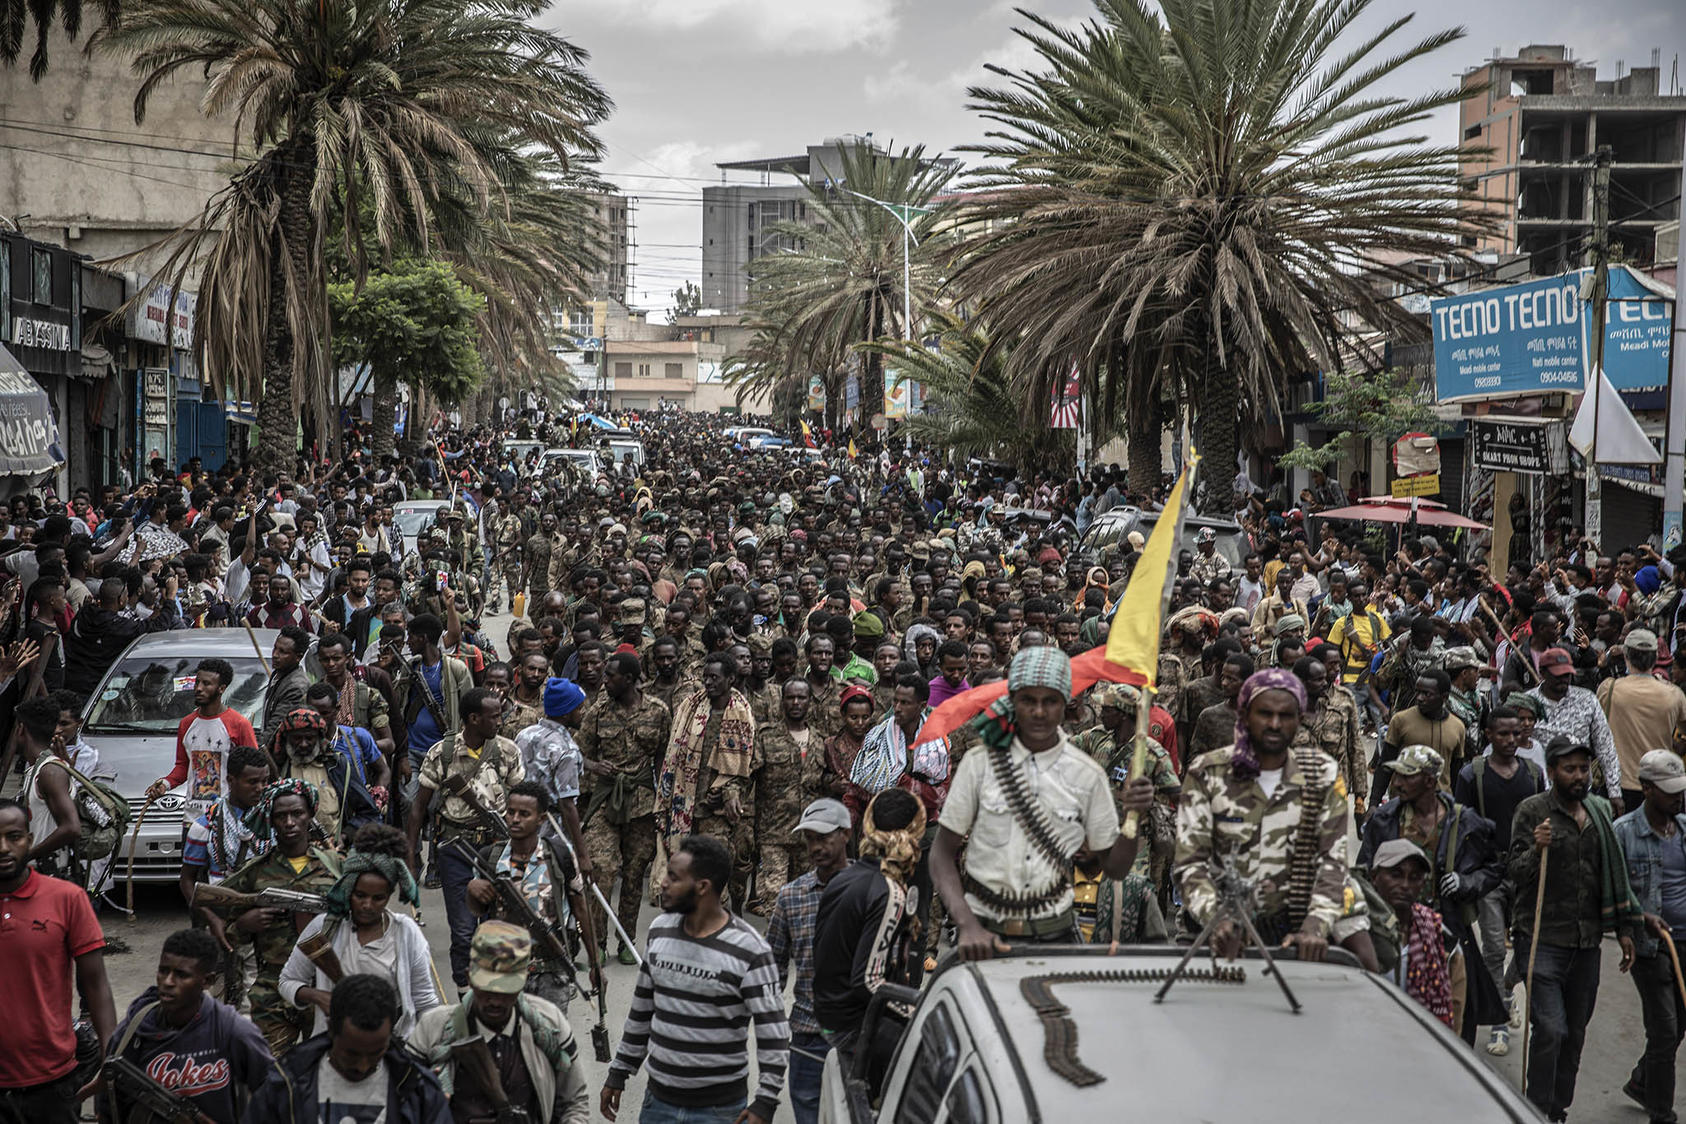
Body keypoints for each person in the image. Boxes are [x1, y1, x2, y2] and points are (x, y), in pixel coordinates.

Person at [931, 647, 1153, 957]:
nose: (1039, 712)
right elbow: (941, 854)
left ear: (1066, 705)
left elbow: (1115, 869)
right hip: (983, 934)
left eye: (1050, 701)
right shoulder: (979, 764)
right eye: (1028, 700)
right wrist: (966, 924)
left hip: (1055, 938)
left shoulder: (1087, 774)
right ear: (1013, 702)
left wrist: (1133, 817)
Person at [602, 834, 789, 1124]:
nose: (663, 882)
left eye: (674, 878)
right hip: (658, 1103)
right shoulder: (659, 930)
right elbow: (641, 1011)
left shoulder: (750, 949)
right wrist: (619, 1069)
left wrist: (765, 1100)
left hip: (720, 1110)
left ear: (703, 887)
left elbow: (772, 1032)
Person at [1174, 669, 1355, 961]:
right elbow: (1190, 864)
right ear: (1245, 716)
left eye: (1286, 716)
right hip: (1211, 931)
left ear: (1300, 719)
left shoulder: (1321, 775)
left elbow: (1333, 862)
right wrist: (1217, 920)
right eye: (1265, 713)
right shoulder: (1208, 772)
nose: (1275, 724)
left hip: (1289, 934)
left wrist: (1315, 925)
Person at [1507, 736, 1642, 1122]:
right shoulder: (1532, 812)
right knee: (1551, 1030)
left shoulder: (1599, 811)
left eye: (1584, 769)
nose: (1579, 776)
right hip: (1541, 939)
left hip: (1587, 944)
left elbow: (1614, 877)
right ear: (1552, 772)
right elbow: (1513, 872)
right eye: (1570, 769)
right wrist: (1535, 848)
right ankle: (1534, 1108)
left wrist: (1626, 927)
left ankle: (1557, 1110)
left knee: (1575, 1036)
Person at [1358, 744, 1505, 1043]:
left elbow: (1494, 866)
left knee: (1454, 1021)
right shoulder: (1386, 819)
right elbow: (1363, 872)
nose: (1396, 783)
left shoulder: (1462, 821)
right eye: (1396, 776)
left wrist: (1466, 883)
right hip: (1392, 932)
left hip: (1446, 931)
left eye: (1406, 777)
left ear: (1429, 780)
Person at [0, 798, 115, 1124]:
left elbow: (96, 984)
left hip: (53, 1080)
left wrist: (111, 1052)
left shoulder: (66, 899)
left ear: (30, 840)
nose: (3, 847)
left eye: (14, 836)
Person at [410, 920, 591, 1124]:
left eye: (505, 990)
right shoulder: (433, 1029)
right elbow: (402, 1101)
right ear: (469, 978)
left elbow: (574, 1103)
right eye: (486, 988)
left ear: (523, 980)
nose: (495, 1000)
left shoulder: (550, 1024)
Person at [406, 686, 524, 991]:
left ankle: (494, 989)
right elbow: (418, 807)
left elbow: (521, 800)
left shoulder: (507, 751)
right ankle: (464, 991)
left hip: (496, 848)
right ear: (473, 718)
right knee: (462, 930)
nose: (500, 721)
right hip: (455, 848)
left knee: (496, 925)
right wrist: (411, 854)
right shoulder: (442, 753)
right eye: (494, 716)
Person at [217, 780, 344, 1054]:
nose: (289, 822)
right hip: (272, 987)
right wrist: (243, 924)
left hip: (325, 982)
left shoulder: (335, 867)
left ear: (310, 815)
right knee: (269, 1073)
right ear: (271, 822)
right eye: (280, 816)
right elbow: (222, 924)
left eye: (297, 813)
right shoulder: (255, 872)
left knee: (326, 1070)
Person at [280, 824, 440, 1038]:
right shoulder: (324, 927)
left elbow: (425, 1003)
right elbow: (288, 981)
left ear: (390, 894)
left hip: (390, 1046)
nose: (367, 905)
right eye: (360, 895)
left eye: (378, 898)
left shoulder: (405, 933)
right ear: (348, 889)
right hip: (333, 1045)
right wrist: (319, 997)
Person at [101, 928, 275, 1124]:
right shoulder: (132, 1032)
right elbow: (110, 1103)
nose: (168, 982)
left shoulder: (232, 1030)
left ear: (207, 981)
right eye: (163, 971)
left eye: (181, 975)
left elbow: (274, 1093)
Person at [1453, 706, 1546, 1055]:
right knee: (1493, 948)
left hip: (1527, 874)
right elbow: (1461, 824)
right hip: (1489, 874)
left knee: (1525, 953)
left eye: (1516, 733)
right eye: (1503, 734)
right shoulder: (1471, 775)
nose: (1511, 740)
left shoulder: (1534, 774)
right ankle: (1499, 1023)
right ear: (1488, 735)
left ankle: (1506, 991)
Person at [812, 789, 925, 1068]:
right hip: (853, 1026)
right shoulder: (888, 891)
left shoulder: (846, 876)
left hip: (829, 1015)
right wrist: (917, 1007)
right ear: (917, 832)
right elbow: (868, 981)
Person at [242, 973, 451, 1124]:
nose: (362, 1066)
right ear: (331, 1029)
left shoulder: (418, 1090)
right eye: (351, 1053)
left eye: (376, 1053)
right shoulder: (285, 1084)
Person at [466, 780, 600, 1009]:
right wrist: (472, 889)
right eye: (511, 812)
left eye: (524, 814)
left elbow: (580, 908)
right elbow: (478, 911)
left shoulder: (559, 855)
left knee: (549, 1037)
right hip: (503, 967)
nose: (515, 819)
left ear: (541, 819)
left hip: (552, 967)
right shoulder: (491, 858)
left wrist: (595, 963)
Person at [576, 651, 671, 961]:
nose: (604, 680)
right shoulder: (598, 712)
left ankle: (626, 940)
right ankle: (598, 944)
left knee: (633, 874)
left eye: (610, 676)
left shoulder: (658, 711)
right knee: (601, 869)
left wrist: (662, 796)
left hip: (642, 802)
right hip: (605, 800)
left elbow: (664, 754)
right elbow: (579, 753)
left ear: (629, 679)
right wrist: (594, 766)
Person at [1611, 749, 1686, 1124]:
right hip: (1652, 945)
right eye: (1669, 790)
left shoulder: (1685, 828)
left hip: (1685, 942)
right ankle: (1662, 1113)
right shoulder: (1623, 833)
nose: (1678, 796)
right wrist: (1637, 919)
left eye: (1680, 789)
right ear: (1646, 789)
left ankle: (1643, 1082)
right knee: (1664, 1030)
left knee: (1678, 1026)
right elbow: (1610, 893)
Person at [768, 799, 851, 1124]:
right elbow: (772, 966)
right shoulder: (792, 896)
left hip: (855, 1035)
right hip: (807, 1034)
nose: (815, 846)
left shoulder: (872, 888)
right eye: (809, 839)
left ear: (845, 834)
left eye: (823, 837)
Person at [658, 652, 758, 913]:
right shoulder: (690, 708)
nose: (709, 683)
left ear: (731, 679)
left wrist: (724, 792)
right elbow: (674, 753)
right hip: (684, 805)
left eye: (715, 678)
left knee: (713, 878)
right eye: (706, 677)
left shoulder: (741, 714)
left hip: (716, 812)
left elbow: (743, 767)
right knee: (685, 875)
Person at [147, 658, 260, 835]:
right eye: (197, 682)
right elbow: (183, 766)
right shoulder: (186, 724)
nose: (199, 688)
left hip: (228, 819)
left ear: (221, 689)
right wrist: (165, 784)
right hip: (192, 820)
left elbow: (255, 770)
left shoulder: (239, 725)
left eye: (206, 684)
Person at [1368, 839, 1463, 1028]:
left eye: (1414, 877)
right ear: (1374, 877)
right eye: (1395, 875)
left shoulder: (1441, 938)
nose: (1405, 885)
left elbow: (1455, 1009)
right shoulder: (1355, 932)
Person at [1596, 629, 1686, 809]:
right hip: (1659, 784)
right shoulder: (1673, 694)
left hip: (1618, 786)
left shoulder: (1609, 689)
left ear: (1626, 656)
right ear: (1654, 658)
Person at [1528, 648, 1624, 812]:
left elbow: (1605, 746)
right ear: (1542, 673)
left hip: (1580, 794)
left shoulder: (1587, 700)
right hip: (1539, 795)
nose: (1564, 680)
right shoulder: (1528, 703)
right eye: (1557, 675)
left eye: (1567, 674)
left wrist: (1614, 791)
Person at [1372, 667, 1465, 806]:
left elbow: (1456, 772)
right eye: (1418, 692)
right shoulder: (1400, 720)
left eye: (1427, 694)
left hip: (1440, 807)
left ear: (1444, 697)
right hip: (1403, 804)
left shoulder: (1457, 727)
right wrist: (1373, 803)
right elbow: (1385, 765)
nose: (1420, 698)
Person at [14, 697, 82, 882]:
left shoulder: (50, 771)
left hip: (48, 877)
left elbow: (71, 827)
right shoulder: (36, 769)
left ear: (21, 729)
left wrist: (25, 855)